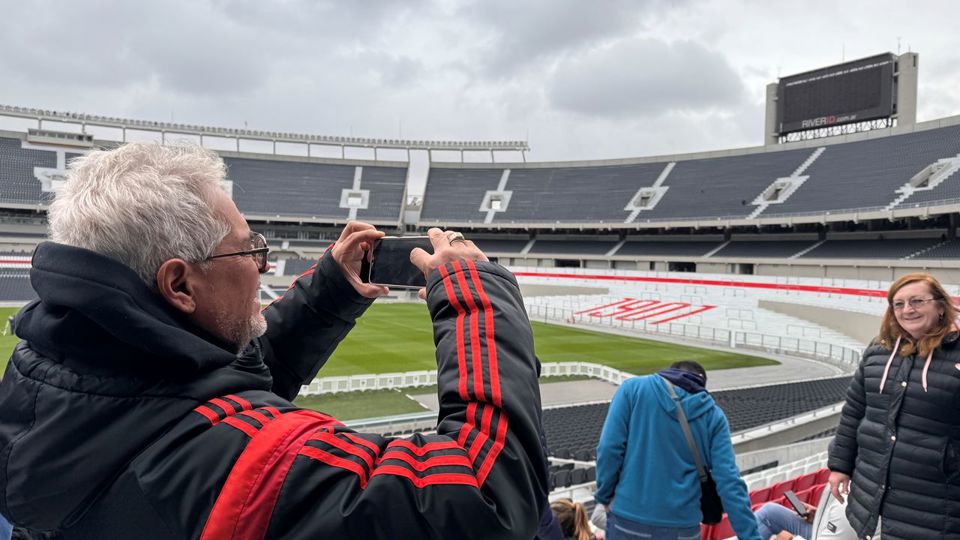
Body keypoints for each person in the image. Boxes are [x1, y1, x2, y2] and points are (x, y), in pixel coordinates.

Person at [0, 143, 549, 539]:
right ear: (179, 284)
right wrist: (477, 297)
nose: (262, 266)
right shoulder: (244, 463)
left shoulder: (44, 374)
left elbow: (189, 398)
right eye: (248, 249)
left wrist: (328, 295)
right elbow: (486, 493)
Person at [828, 272, 960, 540]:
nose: (907, 310)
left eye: (917, 301)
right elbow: (854, 412)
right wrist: (840, 465)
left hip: (935, 502)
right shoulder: (878, 349)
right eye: (898, 304)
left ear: (940, 305)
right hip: (871, 494)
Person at [595, 361, 761, 540]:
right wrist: (751, 537)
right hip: (682, 529)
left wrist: (604, 496)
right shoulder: (714, 416)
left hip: (627, 521)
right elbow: (729, 482)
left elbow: (609, 449)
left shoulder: (632, 389)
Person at [753, 483, 855, 540]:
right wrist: (819, 517)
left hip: (826, 536)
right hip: (827, 528)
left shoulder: (851, 502)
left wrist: (791, 539)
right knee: (769, 512)